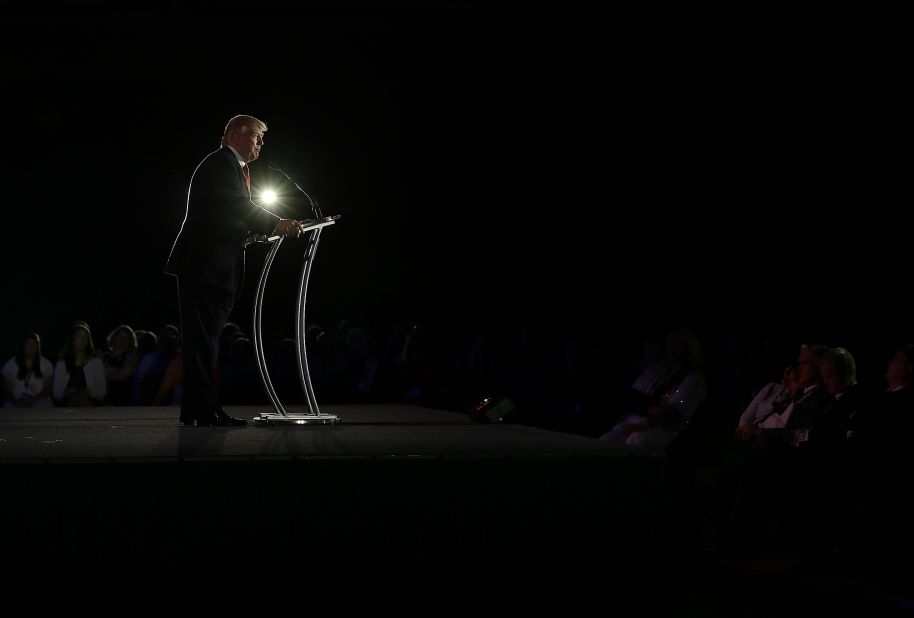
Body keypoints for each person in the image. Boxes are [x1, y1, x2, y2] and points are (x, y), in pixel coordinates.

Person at [164, 114, 306, 426]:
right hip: (205, 267)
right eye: (257, 137)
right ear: (235, 136)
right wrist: (275, 223)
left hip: (213, 266)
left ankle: (197, 409)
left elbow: (223, 216)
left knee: (205, 341)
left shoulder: (232, 167)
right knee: (202, 342)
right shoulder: (220, 163)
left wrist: (252, 233)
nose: (261, 144)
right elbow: (236, 205)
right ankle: (204, 410)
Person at [53, 322, 107, 406]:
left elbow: (102, 392)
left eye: (85, 337)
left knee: (81, 397)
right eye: (79, 336)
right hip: (67, 402)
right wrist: (67, 392)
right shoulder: (62, 363)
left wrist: (89, 393)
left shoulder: (96, 363)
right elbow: (56, 393)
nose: (82, 340)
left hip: (91, 401)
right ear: (72, 340)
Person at [2, 333, 54, 408]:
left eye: (35, 344)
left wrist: (34, 399)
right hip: (15, 401)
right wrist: (16, 402)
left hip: (39, 400)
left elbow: (48, 389)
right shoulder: (10, 365)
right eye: (28, 344)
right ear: (22, 346)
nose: (31, 347)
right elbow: (5, 389)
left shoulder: (46, 364)